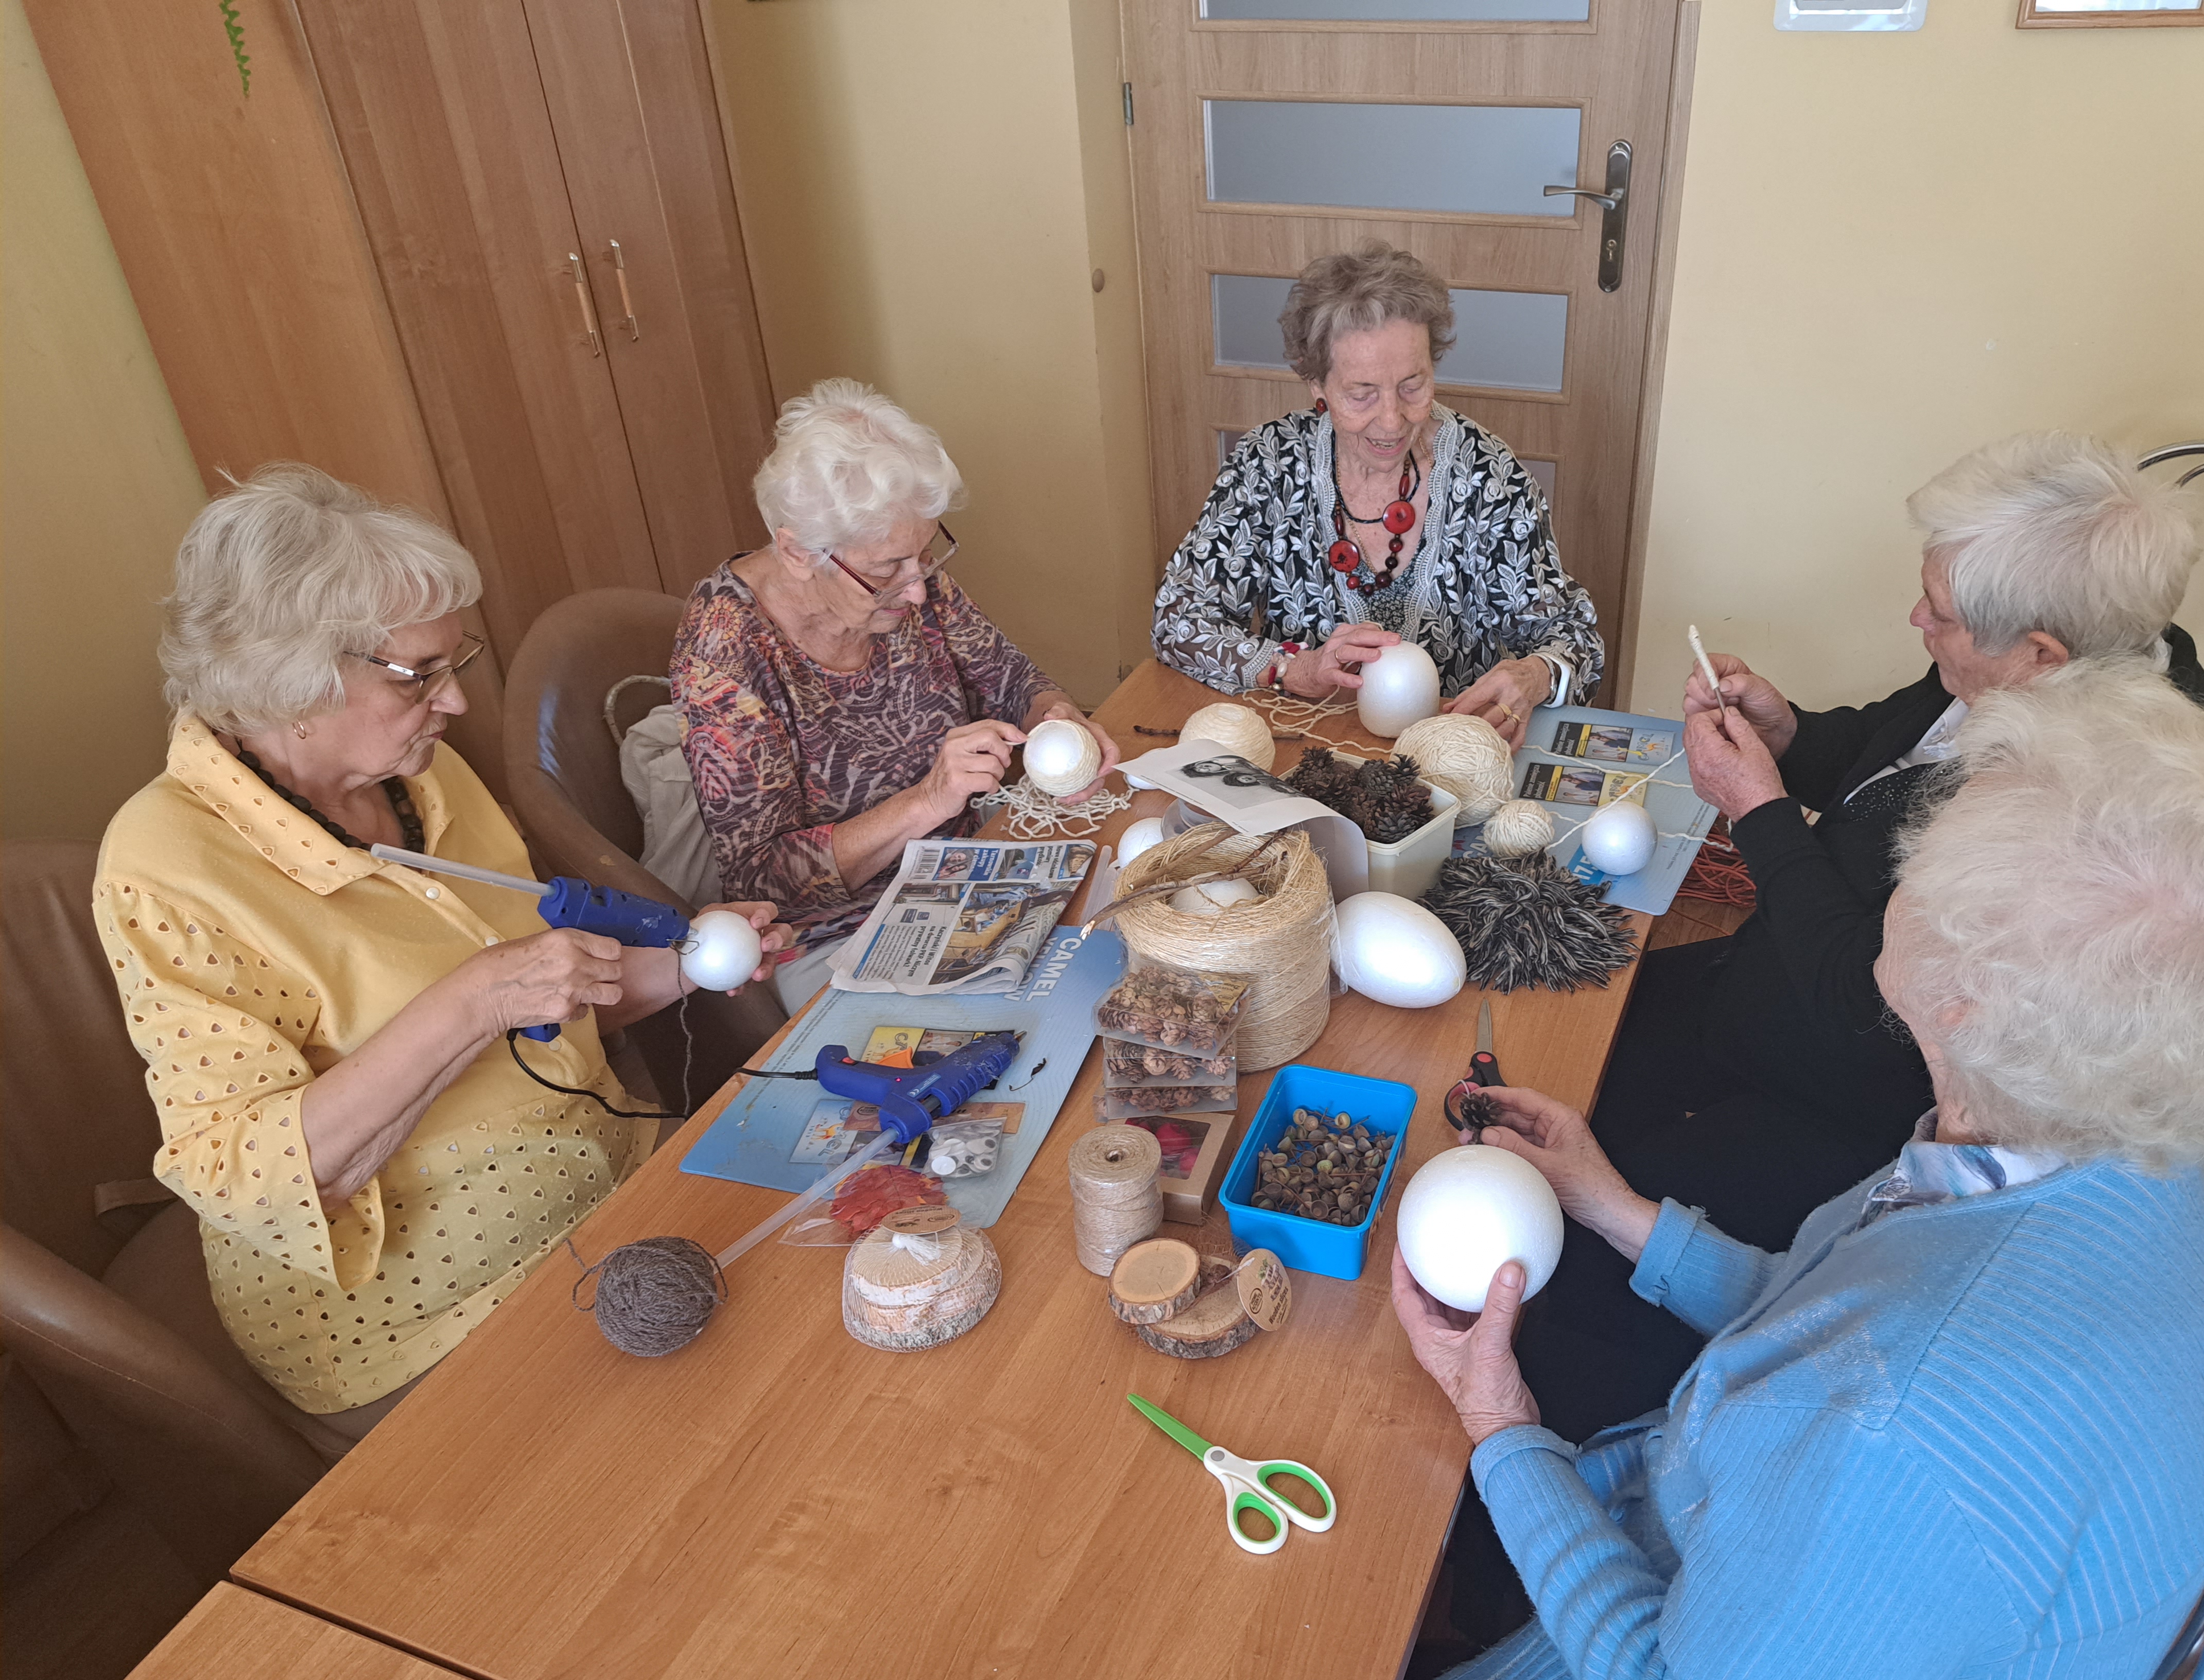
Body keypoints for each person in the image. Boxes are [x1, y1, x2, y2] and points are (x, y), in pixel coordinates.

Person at [1388, 660, 2204, 1680]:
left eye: (1916, 863)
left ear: (1957, 1000)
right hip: (1821, 1627)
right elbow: (1831, 1323)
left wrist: (1499, 1423)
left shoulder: (1897, 1433)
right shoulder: (2124, 1160)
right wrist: (1616, 1208)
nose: (1885, 875)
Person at [1516, 431, 2204, 1444]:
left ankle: (1577, 1458)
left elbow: (1869, 1006)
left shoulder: (2074, 812)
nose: (1914, 620)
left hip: (1864, 1100)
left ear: (2040, 656)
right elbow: (1880, 751)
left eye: (1936, 614)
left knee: (1593, 1239)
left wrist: (1756, 812)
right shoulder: (2019, 662)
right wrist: (1787, 734)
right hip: (1782, 981)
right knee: (1572, 1044)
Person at [93, 467, 792, 1434]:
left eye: (450, 659)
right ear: (288, 679)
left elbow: (546, 996)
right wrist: (472, 1000)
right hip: (415, 1303)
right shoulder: (168, 865)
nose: (456, 701)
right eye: (418, 674)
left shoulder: (419, 776)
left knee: (815, 1328)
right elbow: (248, 1178)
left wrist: (687, 967)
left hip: (609, 1169)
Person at [671, 379, 1118, 1010]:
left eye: (926, 556)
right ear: (799, 553)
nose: (917, 592)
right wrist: (929, 799)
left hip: (970, 864)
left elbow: (1014, 680)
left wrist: (1059, 721)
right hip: (840, 931)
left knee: (1123, 953)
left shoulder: (908, 578)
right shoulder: (725, 652)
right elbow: (766, 882)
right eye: (887, 570)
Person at [1149, 241, 1602, 746]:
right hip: (1305, 748)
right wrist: (1292, 670)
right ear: (1315, 384)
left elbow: (1575, 642)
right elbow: (1179, 620)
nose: (1391, 420)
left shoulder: (1488, 477)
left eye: (1412, 386)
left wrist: (1532, 676)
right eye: (1361, 393)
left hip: (1452, 757)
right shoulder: (1269, 465)